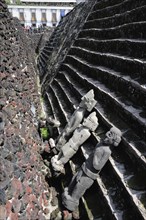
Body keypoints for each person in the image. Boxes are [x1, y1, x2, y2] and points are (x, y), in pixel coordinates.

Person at [62, 127, 122, 212]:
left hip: (89, 174)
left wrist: (96, 156)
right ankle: (68, 193)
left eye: (110, 135)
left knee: (79, 188)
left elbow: (98, 166)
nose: (107, 135)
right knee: (74, 179)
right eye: (108, 133)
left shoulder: (107, 151)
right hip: (85, 167)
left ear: (113, 141)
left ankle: (71, 203)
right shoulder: (100, 144)